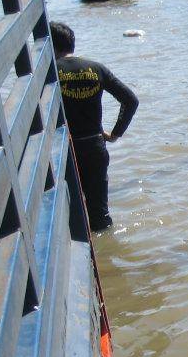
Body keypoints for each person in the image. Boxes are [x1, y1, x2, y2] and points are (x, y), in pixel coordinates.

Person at [50, 21, 139, 232]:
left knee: (69, 214)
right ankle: (107, 257)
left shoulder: (50, 73)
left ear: (52, 47)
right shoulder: (96, 68)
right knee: (100, 214)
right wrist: (115, 133)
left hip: (64, 151)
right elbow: (130, 100)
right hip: (94, 147)